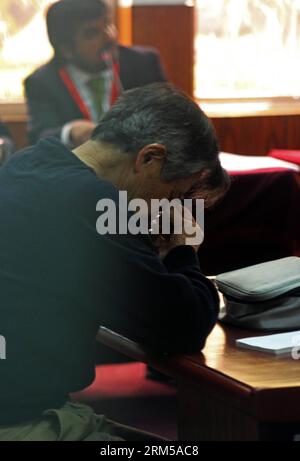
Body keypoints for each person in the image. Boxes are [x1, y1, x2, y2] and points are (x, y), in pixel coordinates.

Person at [0, 83, 228, 441]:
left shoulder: (28, 163)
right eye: (172, 195)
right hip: (23, 423)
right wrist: (185, 249)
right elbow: (183, 325)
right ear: (149, 158)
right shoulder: (93, 205)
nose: (165, 208)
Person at [24, 0, 167, 147]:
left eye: (108, 25)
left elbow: (169, 118)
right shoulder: (41, 82)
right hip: (76, 166)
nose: (109, 37)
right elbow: (39, 137)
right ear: (66, 49)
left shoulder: (144, 63)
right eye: (92, 33)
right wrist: (70, 132)